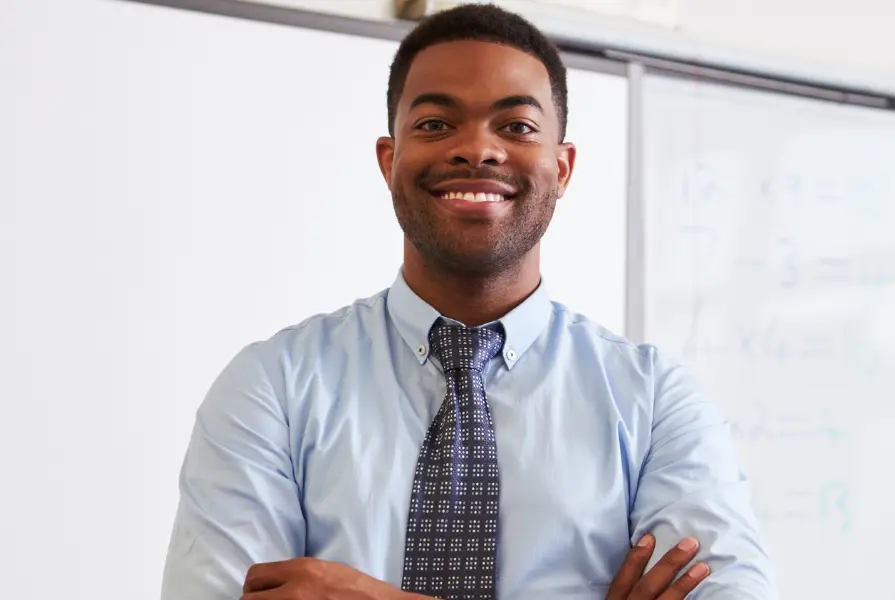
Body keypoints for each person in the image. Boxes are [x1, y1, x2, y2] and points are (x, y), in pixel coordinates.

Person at [160, 3, 776, 599]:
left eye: (517, 126)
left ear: (561, 169)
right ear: (389, 159)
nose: (477, 149)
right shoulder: (273, 389)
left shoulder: (655, 406)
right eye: (434, 124)